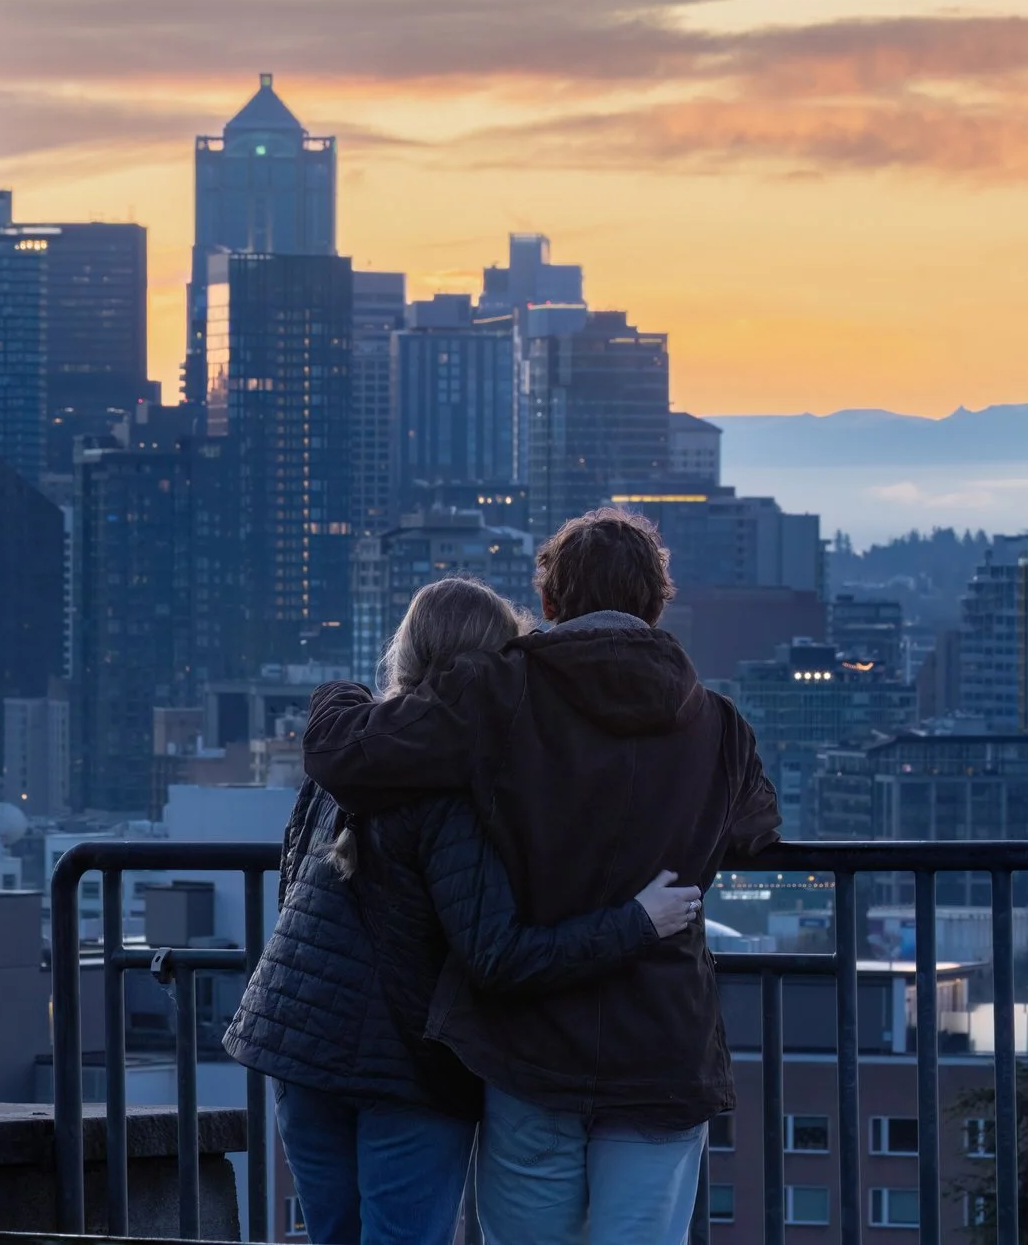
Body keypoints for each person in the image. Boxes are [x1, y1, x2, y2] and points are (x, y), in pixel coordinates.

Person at [303, 508, 781, 1245]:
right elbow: (753, 831)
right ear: (659, 602)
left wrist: (336, 696)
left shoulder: (497, 692)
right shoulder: (718, 723)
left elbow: (353, 756)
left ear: (550, 603)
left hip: (529, 1042)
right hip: (661, 1040)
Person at [224, 577, 704, 1245]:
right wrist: (637, 921)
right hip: (407, 1066)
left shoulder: (348, 759)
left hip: (298, 1043)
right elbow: (497, 954)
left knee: (332, 1233)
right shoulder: (457, 787)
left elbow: (290, 890)